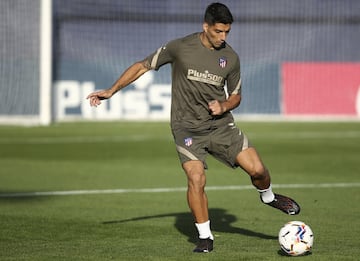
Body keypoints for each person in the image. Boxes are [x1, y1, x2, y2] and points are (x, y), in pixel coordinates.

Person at [87, 2, 300, 253]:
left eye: (227, 32)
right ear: (205, 26)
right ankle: (205, 236)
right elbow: (142, 65)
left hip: (221, 127)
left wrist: (224, 105)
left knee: (259, 171)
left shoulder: (230, 58)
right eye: (218, 31)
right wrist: (111, 90)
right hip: (186, 129)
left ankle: (269, 197)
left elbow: (236, 96)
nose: (223, 37)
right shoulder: (180, 47)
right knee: (196, 178)